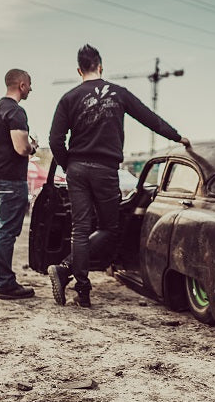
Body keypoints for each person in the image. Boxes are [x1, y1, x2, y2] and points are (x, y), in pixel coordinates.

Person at [47, 44, 191, 308]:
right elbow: (150, 119)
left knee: (79, 229)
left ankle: (81, 289)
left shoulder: (69, 97)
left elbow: (55, 140)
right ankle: (65, 271)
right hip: (105, 170)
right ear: (101, 66)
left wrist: (69, 166)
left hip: (77, 168)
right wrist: (177, 136)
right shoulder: (119, 93)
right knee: (108, 229)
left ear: (79, 70)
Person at [0, 69, 38, 300]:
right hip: (11, 181)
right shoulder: (15, 111)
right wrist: (33, 146)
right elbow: (21, 148)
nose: (31, 88)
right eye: (30, 84)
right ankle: (5, 284)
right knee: (6, 232)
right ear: (21, 85)